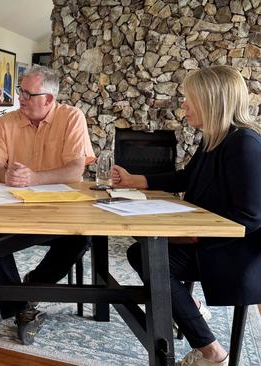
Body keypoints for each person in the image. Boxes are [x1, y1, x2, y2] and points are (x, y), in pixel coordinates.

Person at [112, 65, 261, 366]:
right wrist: (135, 180)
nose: (183, 105)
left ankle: (211, 352)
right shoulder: (215, 139)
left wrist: (193, 236)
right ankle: (187, 306)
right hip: (210, 240)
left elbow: (250, 218)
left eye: (188, 98)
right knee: (142, 252)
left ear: (211, 100)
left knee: (150, 258)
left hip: (234, 252)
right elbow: (186, 178)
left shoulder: (245, 145)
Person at [0, 65, 95, 345]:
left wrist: (35, 178)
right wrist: (4, 174)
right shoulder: (7, 122)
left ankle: (28, 288)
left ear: (49, 99)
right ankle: (20, 307)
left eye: (27, 94)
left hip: (61, 209)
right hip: (14, 207)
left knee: (82, 238)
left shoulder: (71, 117)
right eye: (20, 91)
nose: (20, 98)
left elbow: (75, 171)